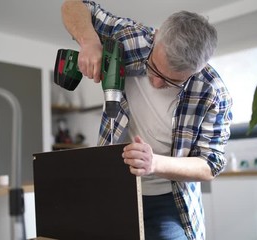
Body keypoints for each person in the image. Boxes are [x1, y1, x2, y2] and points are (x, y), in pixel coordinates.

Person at [61, 1, 233, 239]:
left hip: (171, 201)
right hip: (115, 188)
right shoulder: (130, 37)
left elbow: (210, 165)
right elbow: (75, 5)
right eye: (154, 68)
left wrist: (154, 164)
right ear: (158, 36)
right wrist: (89, 42)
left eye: (172, 81)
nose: (157, 83)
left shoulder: (213, 92)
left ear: (196, 70)